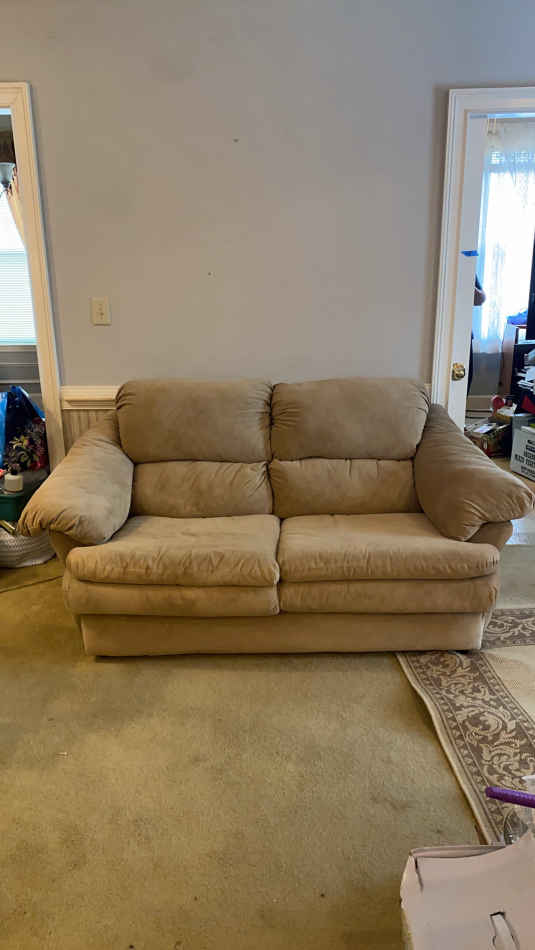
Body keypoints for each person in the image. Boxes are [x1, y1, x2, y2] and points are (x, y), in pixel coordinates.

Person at [468, 275, 486, 393]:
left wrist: (468, 282)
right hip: (443, 330)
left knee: (465, 376)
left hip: (464, 332)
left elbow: (481, 299)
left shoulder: (469, 270)